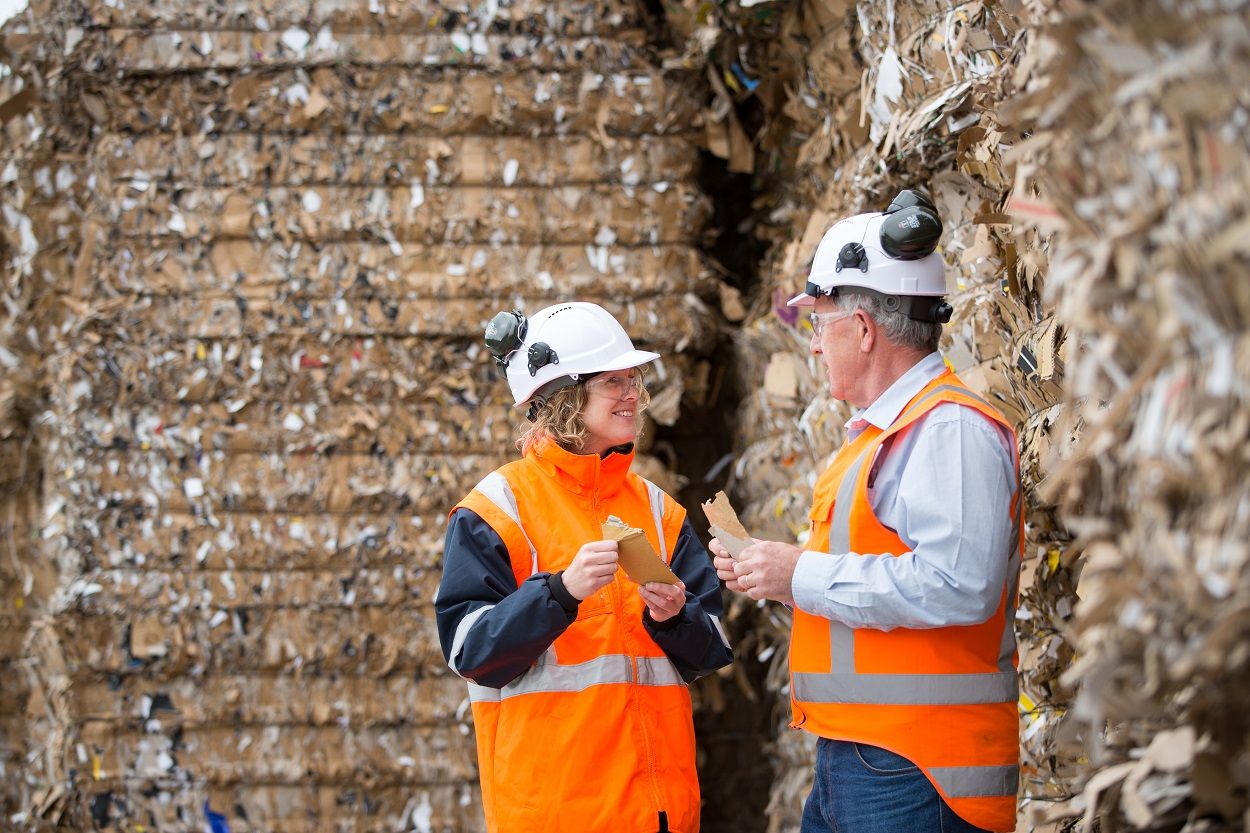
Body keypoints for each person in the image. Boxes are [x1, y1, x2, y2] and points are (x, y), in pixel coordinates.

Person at [712, 191, 1023, 833]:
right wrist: (777, 572)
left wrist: (798, 574)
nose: (816, 348)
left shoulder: (948, 430)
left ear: (861, 328)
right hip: (868, 758)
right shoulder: (889, 434)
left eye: (820, 325)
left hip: (919, 770)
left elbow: (957, 585)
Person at [436, 301, 733, 833]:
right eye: (613, 382)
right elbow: (470, 652)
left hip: (661, 813)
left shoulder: (661, 512)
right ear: (565, 398)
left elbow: (711, 647)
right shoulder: (496, 510)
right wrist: (560, 592)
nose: (633, 395)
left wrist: (673, 618)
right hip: (556, 812)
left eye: (633, 379)